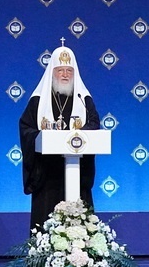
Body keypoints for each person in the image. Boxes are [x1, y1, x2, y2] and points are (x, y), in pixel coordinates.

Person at [16, 44, 101, 233]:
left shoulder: (83, 99)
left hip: (77, 169)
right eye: (60, 70)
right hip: (47, 174)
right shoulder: (39, 100)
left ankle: (81, 250)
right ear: (52, 72)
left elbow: (94, 123)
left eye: (69, 71)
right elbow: (26, 127)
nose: (64, 75)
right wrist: (44, 138)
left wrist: (75, 135)